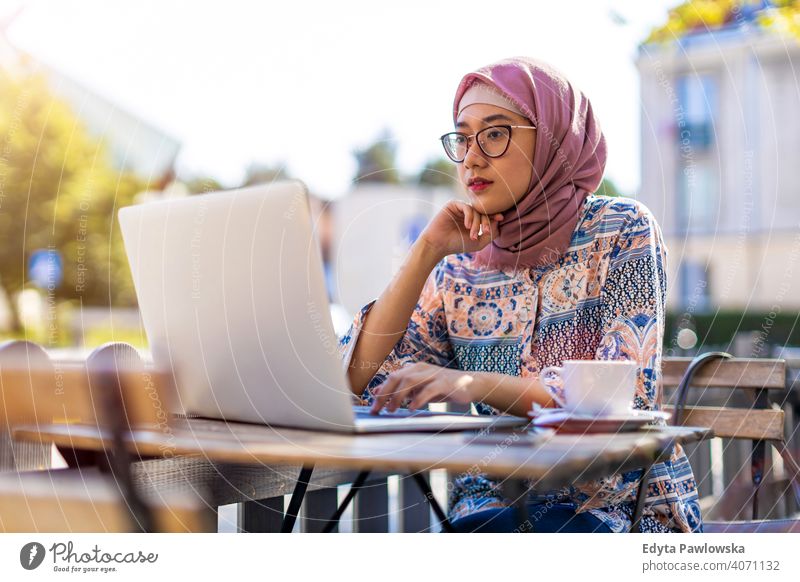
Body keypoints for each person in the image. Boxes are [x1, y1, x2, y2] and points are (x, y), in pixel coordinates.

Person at [338, 56, 702, 533]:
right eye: (462, 138)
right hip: (490, 514)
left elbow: (625, 398)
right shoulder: (458, 268)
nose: (471, 158)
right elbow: (359, 379)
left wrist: (471, 384)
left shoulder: (622, 229)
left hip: (616, 512)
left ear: (555, 137)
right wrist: (425, 251)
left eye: (494, 133)